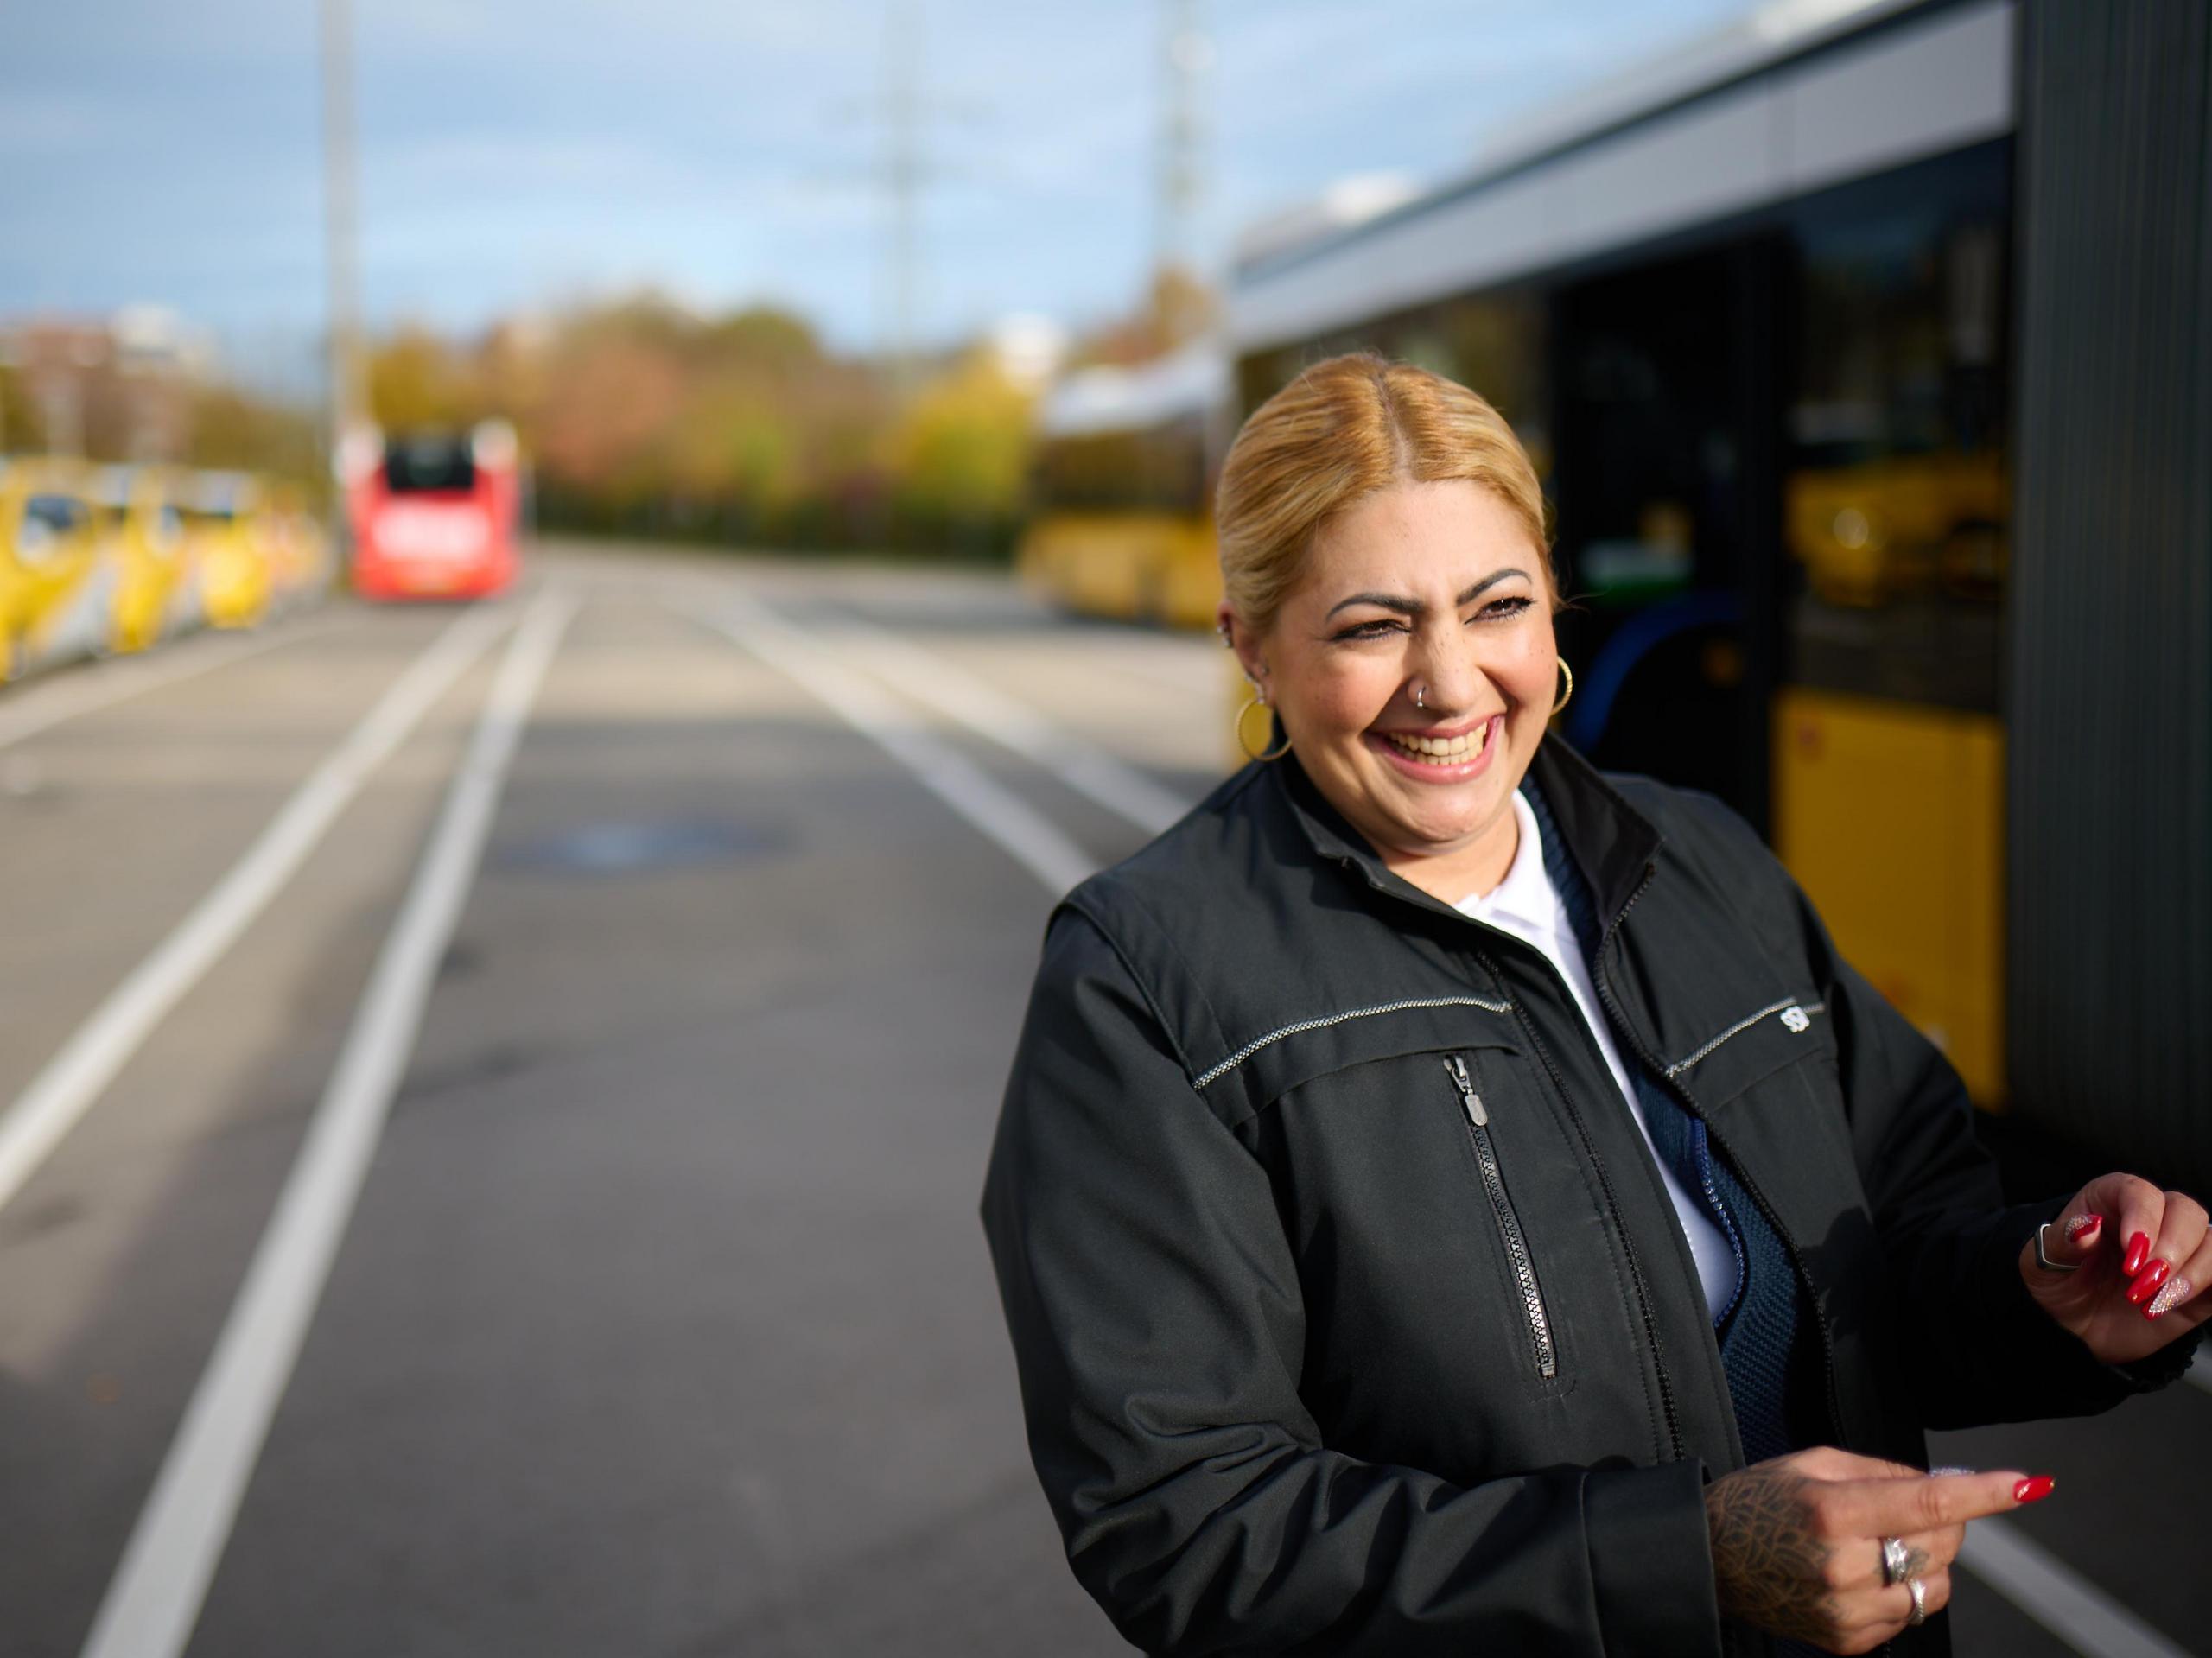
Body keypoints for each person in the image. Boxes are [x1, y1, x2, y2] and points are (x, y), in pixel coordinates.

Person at [979, 354, 2207, 1657]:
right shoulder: (1143, 982)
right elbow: (1184, 1524)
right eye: (1370, 625)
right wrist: (1690, 1564)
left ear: (1552, 610)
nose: (1451, 685)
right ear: (1250, 645)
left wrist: (2044, 1288)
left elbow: (1898, 1239)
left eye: (1496, 604)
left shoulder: (1702, 862)